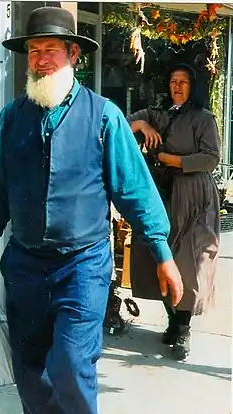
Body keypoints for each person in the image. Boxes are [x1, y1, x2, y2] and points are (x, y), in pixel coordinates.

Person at [0, 7, 183, 414]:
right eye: (34, 50)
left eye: (51, 49)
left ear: (73, 55)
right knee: (30, 372)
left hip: (82, 267)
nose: (41, 59)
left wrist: (162, 255)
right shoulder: (12, 118)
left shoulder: (104, 116)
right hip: (25, 266)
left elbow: (135, 191)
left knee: (70, 365)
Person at [128, 63, 220, 361]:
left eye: (183, 82)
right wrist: (142, 126)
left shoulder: (203, 119)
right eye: (173, 81)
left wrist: (171, 159)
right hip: (162, 193)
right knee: (159, 255)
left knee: (189, 260)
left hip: (193, 196)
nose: (177, 87)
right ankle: (173, 318)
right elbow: (123, 125)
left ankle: (183, 327)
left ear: (193, 86)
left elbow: (211, 158)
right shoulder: (158, 113)